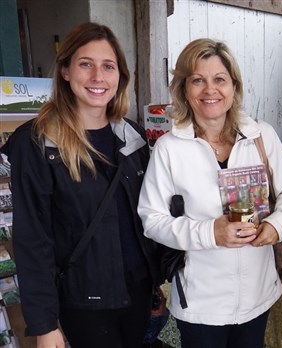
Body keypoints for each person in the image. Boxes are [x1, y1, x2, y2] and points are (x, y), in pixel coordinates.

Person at [0, 22, 162, 347]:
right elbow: (33, 241)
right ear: (65, 71)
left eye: (108, 66)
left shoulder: (131, 136)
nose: (97, 77)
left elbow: (144, 216)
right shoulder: (37, 144)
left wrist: (157, 280)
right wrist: (44, 325)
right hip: (84, 302)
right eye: (85, 64)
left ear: (120, 76)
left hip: (138, 292)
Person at [137, 38, 282, 348]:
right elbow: (152, 219)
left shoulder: (260, 135)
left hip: (258, 294)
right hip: (201, 304)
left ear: (234, 87)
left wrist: (277, 225)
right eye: (198, 80)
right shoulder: (170, 148)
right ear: (184, 88)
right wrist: (210, 232)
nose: (209, 90)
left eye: (219, 80)